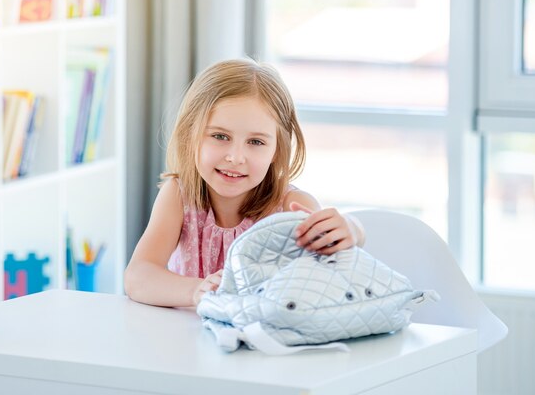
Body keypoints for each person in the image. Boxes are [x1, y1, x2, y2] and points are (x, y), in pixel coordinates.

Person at [124, 58, 365, 308]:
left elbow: (336, 270)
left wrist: (352, 229)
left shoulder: (290, 206)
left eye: (256, 142)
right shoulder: (179, 196)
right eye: (220, 136)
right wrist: (196, 291)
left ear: (277, 150)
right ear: (190, 136)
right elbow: (138, 276)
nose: (235, 157)